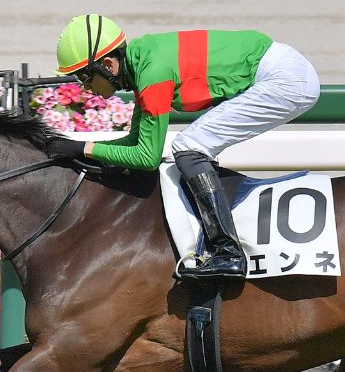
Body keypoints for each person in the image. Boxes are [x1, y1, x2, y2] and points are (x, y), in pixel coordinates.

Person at [45, 14, 321, 281]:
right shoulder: (142, 62)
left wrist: (84, 149)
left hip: (285, 80)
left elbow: (147, 157)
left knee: (189, 146)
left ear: (107, 65)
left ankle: (228, 252)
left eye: (85, 77)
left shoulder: (152, 72)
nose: (85, 87)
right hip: (281, 69)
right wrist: (80, 148)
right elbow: (135, 142)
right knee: (191, 145)